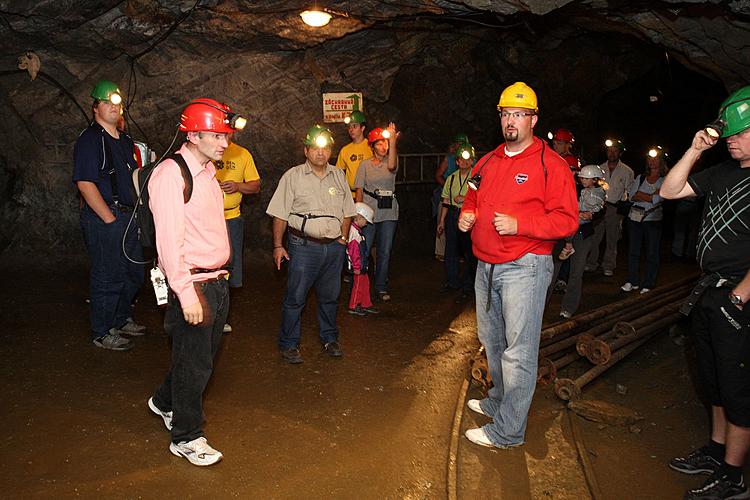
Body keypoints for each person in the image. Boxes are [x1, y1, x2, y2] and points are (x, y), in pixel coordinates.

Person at [458, 82, 578, 449]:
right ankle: (498, 401)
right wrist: (467, 213)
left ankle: (508, 431)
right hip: (486, 265)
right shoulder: (489, 159)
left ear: (533, 119)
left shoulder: (551, 165)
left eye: (519, 115)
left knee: (519, 351)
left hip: (525, 266)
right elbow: (474, 191)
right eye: (506, 114)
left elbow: (568, 220)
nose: (511, 121)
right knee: (492, 342)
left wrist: (520, 225)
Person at [661, 85, 750, 500]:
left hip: (739, 298)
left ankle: (734, 477)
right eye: (728, 133)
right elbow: (669, 190)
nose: (730, 138)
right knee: (714, 381)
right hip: (710, 292)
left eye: (740, 132)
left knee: (738, 388)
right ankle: (716, 452)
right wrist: (696, 149)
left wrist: (740, 298)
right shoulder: (723, 172)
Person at [147, 98, 242, 466]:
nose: (224, 143)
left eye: (225, 136)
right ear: (194, 133)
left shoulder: (206, 172)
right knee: (196, 363)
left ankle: (163, 401)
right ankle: (186, 436)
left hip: (216, 281)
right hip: (193, 283)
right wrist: (185, 293)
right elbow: (169, 241)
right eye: (217, 136)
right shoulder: (171, 174)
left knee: (197, 358)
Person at [267, 125, 356, 364]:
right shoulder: (293, 176)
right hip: (303, 247)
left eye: (325, 148)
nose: (320, 153)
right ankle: (289, 343)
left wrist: (343, 239)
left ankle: (329, 338)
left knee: (330, 296)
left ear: (330, 151)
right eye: (315, 148)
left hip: (334, 247)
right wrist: (278, 245)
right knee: (296, 297)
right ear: (306, 151)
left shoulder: (339, 175)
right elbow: (280, 214)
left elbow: (348, 211)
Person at [73, 79, 145, 351]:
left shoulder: (125, 140)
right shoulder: (90, 140)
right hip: (106, 216)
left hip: (127, 215)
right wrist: (108, 218)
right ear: (95, 108)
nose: (114, 108)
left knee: (134, 271)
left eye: (117, 103)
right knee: (108, 274)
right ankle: (102, 331)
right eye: (106, 103)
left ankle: (121, 317)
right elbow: (85, 182)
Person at [214, 133, 261, 333]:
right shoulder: (208, 150)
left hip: (231, 218)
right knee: (208, 267)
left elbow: (256, 185)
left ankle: (222, 315)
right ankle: (207, 314)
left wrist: (238, 186)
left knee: (229, 268)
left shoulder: (242, 154)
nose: (225, 134)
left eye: (228, 129)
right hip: (207, 219)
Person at [354, 122, 401, 302]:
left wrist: (393, 140)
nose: (384, 146)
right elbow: (359, 190)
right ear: (372, 146)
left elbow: (391, 166)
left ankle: (380, 286)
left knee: (384, 251)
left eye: (386, 143)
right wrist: (358, 214)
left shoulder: (392, 161)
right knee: (364, 250)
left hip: (389, 212)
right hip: (369, 213)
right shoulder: (364, 165)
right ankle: (360, 286)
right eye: (379, 143)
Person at [558, 165, 607, 318]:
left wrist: (592, 215)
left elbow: (601, 209)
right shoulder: (564, 186)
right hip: (561, 231)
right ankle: (540, 308)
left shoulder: (595, 191)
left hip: (582, 234)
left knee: (576, 272)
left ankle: (568, 307)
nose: (581, 178)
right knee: (551, 272)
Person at [620, 147, 668, 295]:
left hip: (652, 220)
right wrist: (649, 196)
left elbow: (659, 198)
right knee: (633, 251)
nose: (652, 161)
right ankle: (632, 281)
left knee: (651, 253)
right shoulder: (640, 177)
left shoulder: (665, 180)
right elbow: (632, 196)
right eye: (650, 158)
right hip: (634, 218)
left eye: (656, 158)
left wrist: (645, 195)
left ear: (661, 161)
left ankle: (648, 283)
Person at [586, 138, 634, 276]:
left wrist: (623, 209)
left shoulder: (627, 171)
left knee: (612, 239)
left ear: (619, 153)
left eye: (615, 151)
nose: (612, 153)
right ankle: (591, 263)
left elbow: (629, 190)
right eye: (609, 151)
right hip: (599, 206)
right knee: (595, 237)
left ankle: (608, 265)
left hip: (614, 207)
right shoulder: (600, 169)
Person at [437, 142, 477, 298]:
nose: (465, 162)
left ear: (472, 161)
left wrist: (465, 198)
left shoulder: (476, 177)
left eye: (469, 159)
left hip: (468, 216)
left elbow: (480, 197)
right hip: (453, 215)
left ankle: (468, 284)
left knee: (469, 251)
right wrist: (441, 222)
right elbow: (445, 201)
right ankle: (453, 281)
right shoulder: (451, 178)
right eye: (462, 159)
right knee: (451, 250)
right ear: (457, 161)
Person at [434, 133, 468, 261]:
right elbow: (438, 175)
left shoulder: (471, 160)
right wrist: (448, 188)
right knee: (442, 220)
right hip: (448, 195)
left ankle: (461, 252)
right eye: (458, 143)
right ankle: (441, 251)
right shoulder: (449, 159)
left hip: (464, 199)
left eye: (462, 143)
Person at [347, 202, 378, 316]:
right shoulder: (354, 233)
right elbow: (354, 252)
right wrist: (356, 266)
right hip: (358, 265)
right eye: (365, 221)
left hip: (361, 264)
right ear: (359, 218)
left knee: (365, 284)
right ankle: (353, 305)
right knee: (358, 285)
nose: (366, 224)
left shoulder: (357, 232)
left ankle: (365, 304)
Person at [336, 110, 372, 198]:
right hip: (350, 196)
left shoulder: (371, 147)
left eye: (355, 126)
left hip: (369, 195)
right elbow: (337, 173)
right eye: (349, 127)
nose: (351, 130)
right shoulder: (345, 150)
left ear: (362, 128)